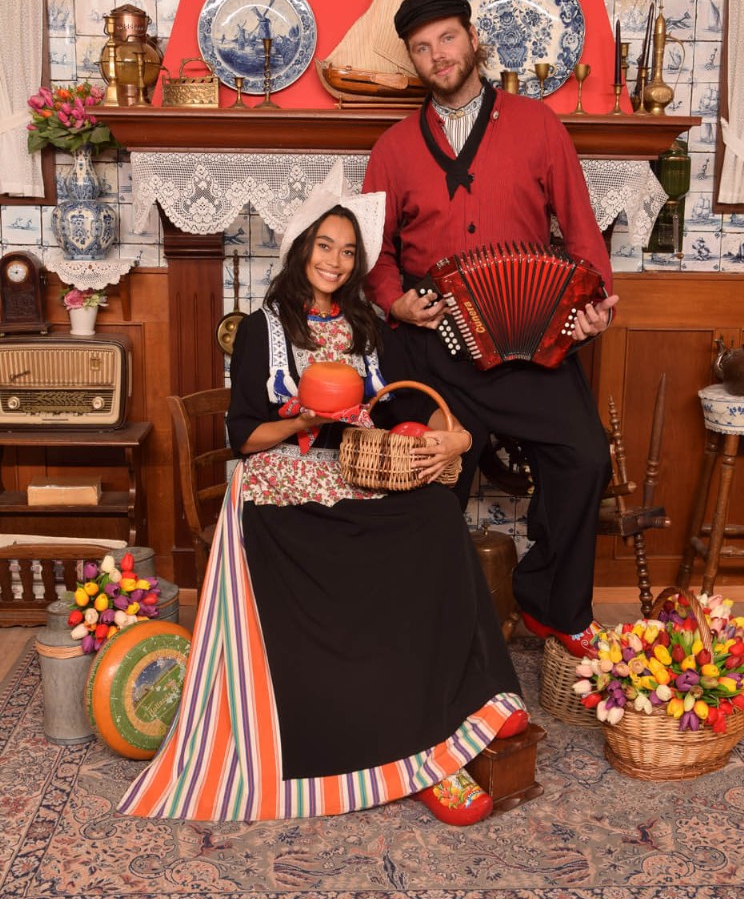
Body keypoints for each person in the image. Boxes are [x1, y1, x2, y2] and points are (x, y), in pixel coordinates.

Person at [119, 161, 527, 827]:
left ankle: (464, 708)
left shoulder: (370, 331)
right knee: (340, 544)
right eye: (324, 245)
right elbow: (245, 435)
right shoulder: (262, 329)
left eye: (347, 251)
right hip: (280, 476)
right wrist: (305, 421)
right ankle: (397, 742)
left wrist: (446, 436)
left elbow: (397, 412)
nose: (335, 260)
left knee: (432, 516)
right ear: (301, 248)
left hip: (354, 473)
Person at [362, 0, 620, 659]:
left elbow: (584, 236)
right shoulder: (391, 148)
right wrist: (395, 302)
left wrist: (593, 308)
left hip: (528, 344)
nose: (436, 55)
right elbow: (374, 255)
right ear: (414, 62)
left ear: (472, 40)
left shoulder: (539, 126)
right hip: (428, 346)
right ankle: (425, 624)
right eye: (421, 48)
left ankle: (550, 604)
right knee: (424, 479)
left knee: (585, 457)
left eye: (446, 38)